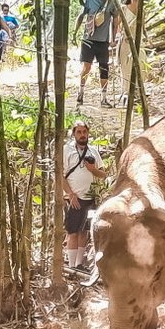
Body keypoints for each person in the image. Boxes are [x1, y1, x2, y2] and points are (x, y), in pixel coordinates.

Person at [60, 118, 104, 278]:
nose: (82, 135)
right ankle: (71, 266)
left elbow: (103, 174)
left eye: (84, 132)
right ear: (74, 134)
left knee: (84, 231)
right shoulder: (67, 150)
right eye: (79, 132)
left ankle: (78, 264)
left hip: (90, 198)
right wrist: (70, 194)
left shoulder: (93, 151)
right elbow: (59, 174)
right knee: (73, 231)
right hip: (73, 198)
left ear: (88, 133)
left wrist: (93, 170)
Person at [75, 0, 116, 106]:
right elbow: (82, 15)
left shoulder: (112, 3)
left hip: (103, 41)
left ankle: (103, 98)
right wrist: (75, 32)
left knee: (104, 68)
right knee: (86, 67)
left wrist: (113, 39)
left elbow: (116, 21)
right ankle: (80, 93)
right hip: (88, 39)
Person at [113, 0, 142, 108]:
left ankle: (136, 91)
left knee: (138, 65)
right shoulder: (124, 9)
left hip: (138, 42)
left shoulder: (140, 10)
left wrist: (148, 39)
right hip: (125, 42)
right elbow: (115, 24)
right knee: (126, 67)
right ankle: (126, 93)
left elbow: (142, 26)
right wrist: (113, 39)